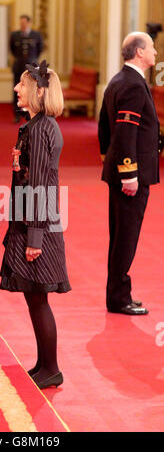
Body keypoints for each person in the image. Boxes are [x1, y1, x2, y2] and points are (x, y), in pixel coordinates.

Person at [0, 60, 71, 389]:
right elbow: (31, 177)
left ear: (38, 92)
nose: (17, 89)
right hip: (31, 221)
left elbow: (42, 186)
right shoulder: (35, 125)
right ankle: (44, 364)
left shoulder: (42, 128)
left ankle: (51, 368)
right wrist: (18, 165)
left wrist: (35, 237)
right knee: (33, 296)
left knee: (39, 296)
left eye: (23, 85)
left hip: (38, 226)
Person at [98, 32, 160, 315]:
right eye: (152, 48)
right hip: (130, 176)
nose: (156, 53)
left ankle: (118, 293)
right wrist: (128, 174)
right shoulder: (133, 85)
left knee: (120, 235)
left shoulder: (119, 80)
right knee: (126, 237)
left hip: (120, 170)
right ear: (138, 52)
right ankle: (118, 298)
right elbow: (125, 131)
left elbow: (103, 127)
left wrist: (107, 159)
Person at [10, 15, 43, 123]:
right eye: (21, 23)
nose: (22, 25)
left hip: (32, 67)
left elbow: (39, 49)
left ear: (29, 23)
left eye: (24, 23)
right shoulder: (15, 35)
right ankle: (17, 114)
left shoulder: (36, 35)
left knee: (33, 90)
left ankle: (32, 113)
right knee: (17, 90)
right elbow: (12, 50)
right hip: (19, 66)